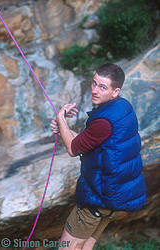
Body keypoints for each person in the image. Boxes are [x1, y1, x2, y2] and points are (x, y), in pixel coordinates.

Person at [50, 64, 146, 250]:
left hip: (98, 197)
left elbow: (73, 149)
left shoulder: (103, 121)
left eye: (102, 87)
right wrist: (63, 130)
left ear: (115, 91)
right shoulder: (122, 107)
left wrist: (61, 119)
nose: (94, 90)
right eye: (94, 83)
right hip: (113, 196)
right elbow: (89, 141)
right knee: (85, 247)